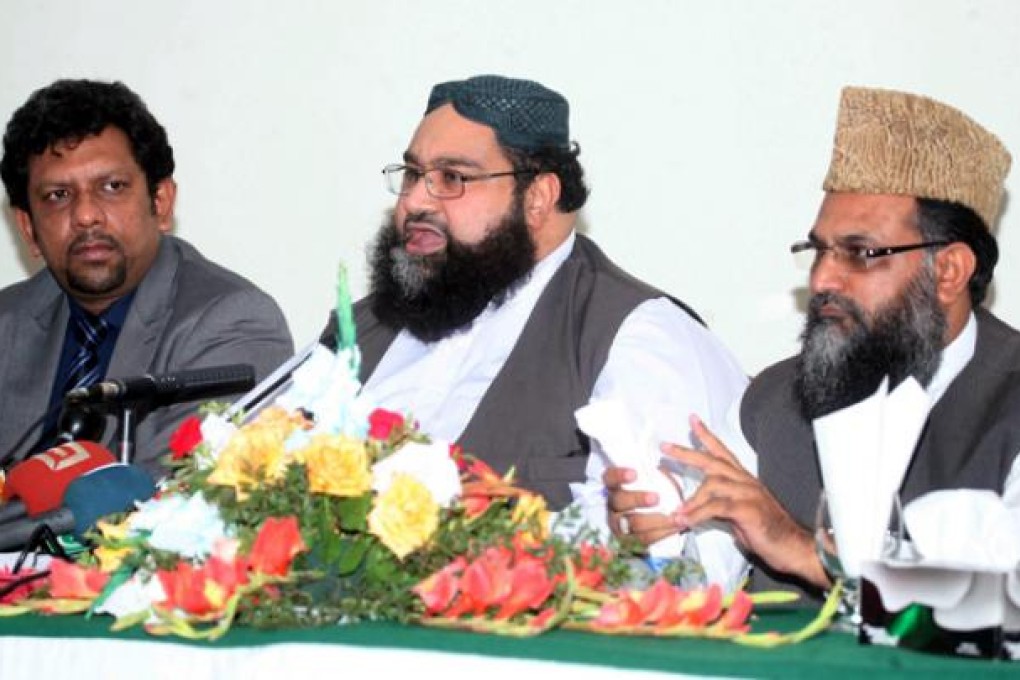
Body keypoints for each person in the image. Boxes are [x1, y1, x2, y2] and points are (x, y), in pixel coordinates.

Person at [322, 74, 749, 589]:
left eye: (452, 178)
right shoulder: (368, 327)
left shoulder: (636, 336)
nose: (416, 201)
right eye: (412, 174)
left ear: (539, 196)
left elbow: (690, 571)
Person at [604, 85, 1016, 600]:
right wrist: (654, 533)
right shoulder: (772, 401)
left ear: (949, 271)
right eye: (818, 251)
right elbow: (697, 582)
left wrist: (801, 550)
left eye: (860, 253)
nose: (823, 279)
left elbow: (1004, 607)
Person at [0, 79, 294, 477]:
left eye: (112, 187)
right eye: (58, 195)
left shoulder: (233, 323)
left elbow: (164, 496)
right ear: (29, 228)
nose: (86, 215)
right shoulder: (8, 322)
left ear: (160, 202)